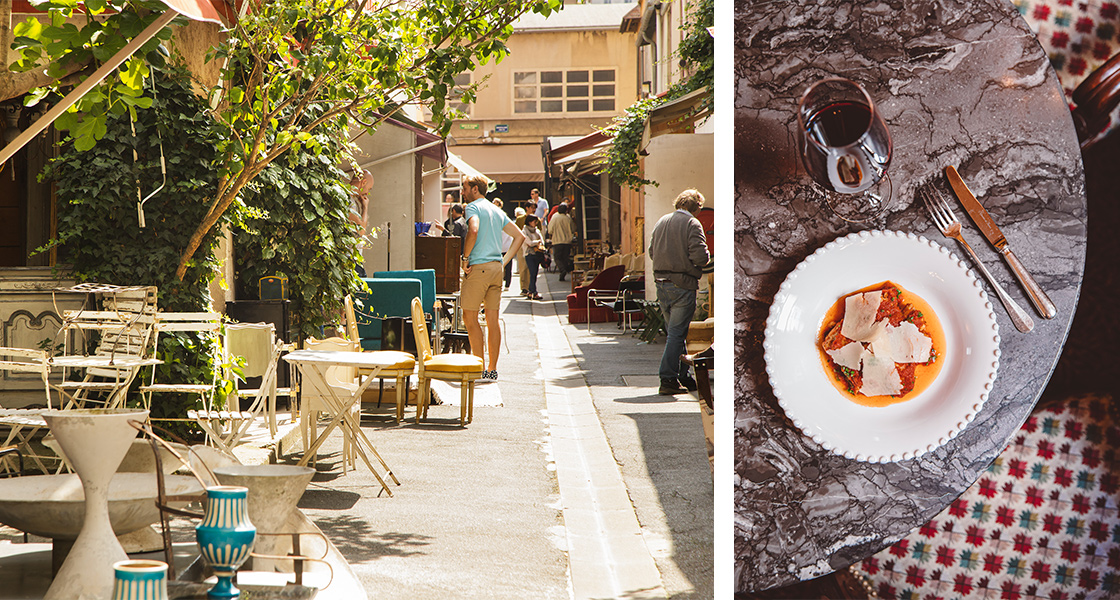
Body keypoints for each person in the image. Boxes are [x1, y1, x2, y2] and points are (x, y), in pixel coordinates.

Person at [460, 175, 525, 382]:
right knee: (492, 319)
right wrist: (503, 262)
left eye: (465, 188)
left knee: (469, 318)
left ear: (475, 189)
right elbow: (520, 236)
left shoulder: (473, 207)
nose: (462, 192)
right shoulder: (496, 210)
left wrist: (465, 258)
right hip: (496, 268)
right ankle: (492, 369)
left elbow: (473, 230)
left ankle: (478, 368)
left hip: (478, 267)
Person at [648, 189, 711, 396]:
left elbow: (651, 252)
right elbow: (701, 257)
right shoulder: (692, 223)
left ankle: (684, 376)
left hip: (661, 283)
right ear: (697, 207)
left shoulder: (662, 221)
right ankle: (667, 378)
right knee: (677, 334)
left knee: (676, 333)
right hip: (682, 284)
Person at [349, 169, 373, 276]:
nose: (367, 193)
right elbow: (361, 231)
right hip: (350, 260)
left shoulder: (350, 199)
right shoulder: (347, 199)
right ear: (363, 182)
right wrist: (365, 207)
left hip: (353, 259)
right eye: (369, 188)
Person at [547, 202, 576, 281]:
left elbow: (550, 230)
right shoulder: (568, 217)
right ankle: (564, 270)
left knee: (557, 258)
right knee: (565, 257)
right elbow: (573, 229)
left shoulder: (554, 217)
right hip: (567, 241)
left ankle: (562, 270)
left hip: (557, 241)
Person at [521, 215, 545, 300]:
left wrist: (538, 242)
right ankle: (533, 292)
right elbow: (529, 243)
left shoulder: (536, 230)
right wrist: (537, 242)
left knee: (534, 273)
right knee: (533, 273)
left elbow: (542, 241)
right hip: (529, 254)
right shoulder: (524, 231)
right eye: (534, 222)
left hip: (537, 253)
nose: (535, 223)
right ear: (529, 222)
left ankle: (531, 292)